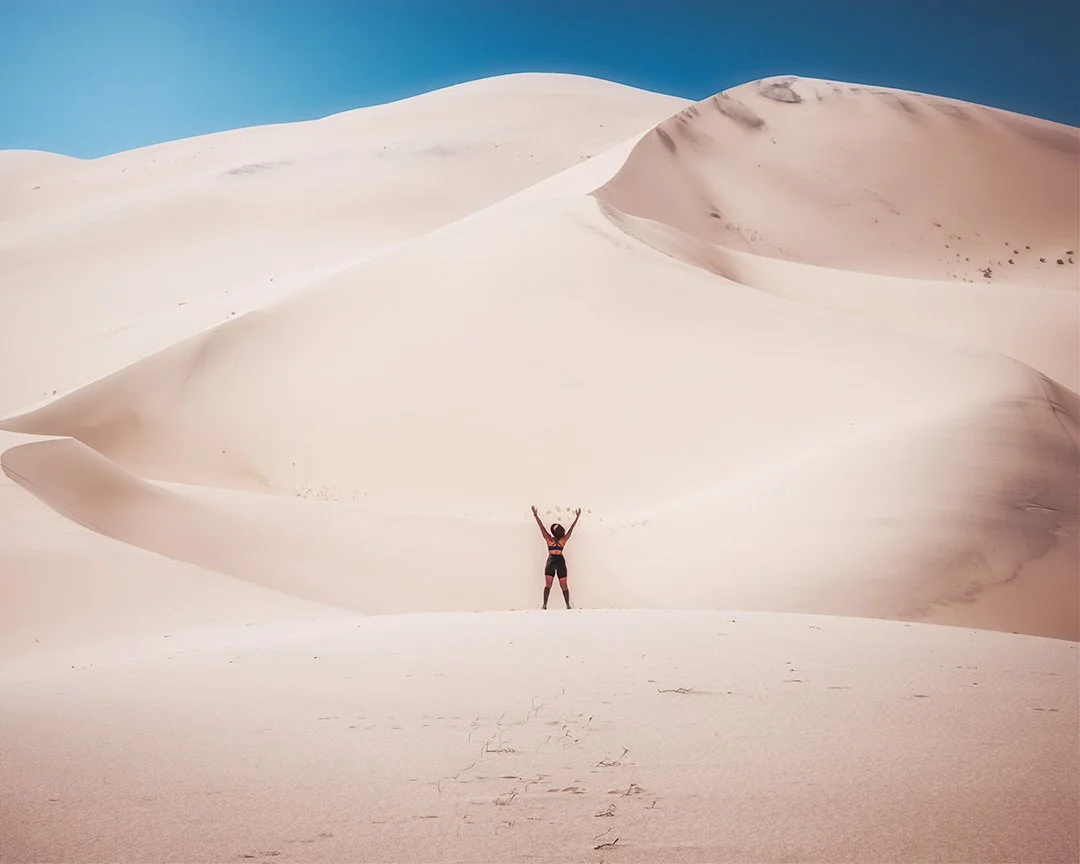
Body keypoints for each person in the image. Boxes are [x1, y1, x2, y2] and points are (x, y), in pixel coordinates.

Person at [531, 505, 581, 609]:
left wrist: (536, 515)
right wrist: (577, 517)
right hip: (560, 561)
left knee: (548, 585)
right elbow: (571, 530)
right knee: (564, 585)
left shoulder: (549, 540)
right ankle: (567, 605)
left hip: (551, 560)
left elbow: (542, 528)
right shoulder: (563, 540)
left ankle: (544, 605)